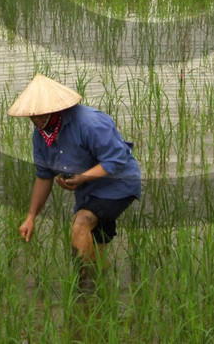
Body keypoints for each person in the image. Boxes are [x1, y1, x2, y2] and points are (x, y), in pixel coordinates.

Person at [10, 74, 142, 276]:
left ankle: (82, 286)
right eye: (31, 115)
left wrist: (82, 178)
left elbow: (117, 159)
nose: (35, 120)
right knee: (95, 245)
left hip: (118, 184)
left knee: (80, 223)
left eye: (39, 114)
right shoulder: (41, 135)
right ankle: (104, 286)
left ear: (54, 109)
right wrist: (31, 217)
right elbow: (44, 176)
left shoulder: (90, 123)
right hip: (87, 192)